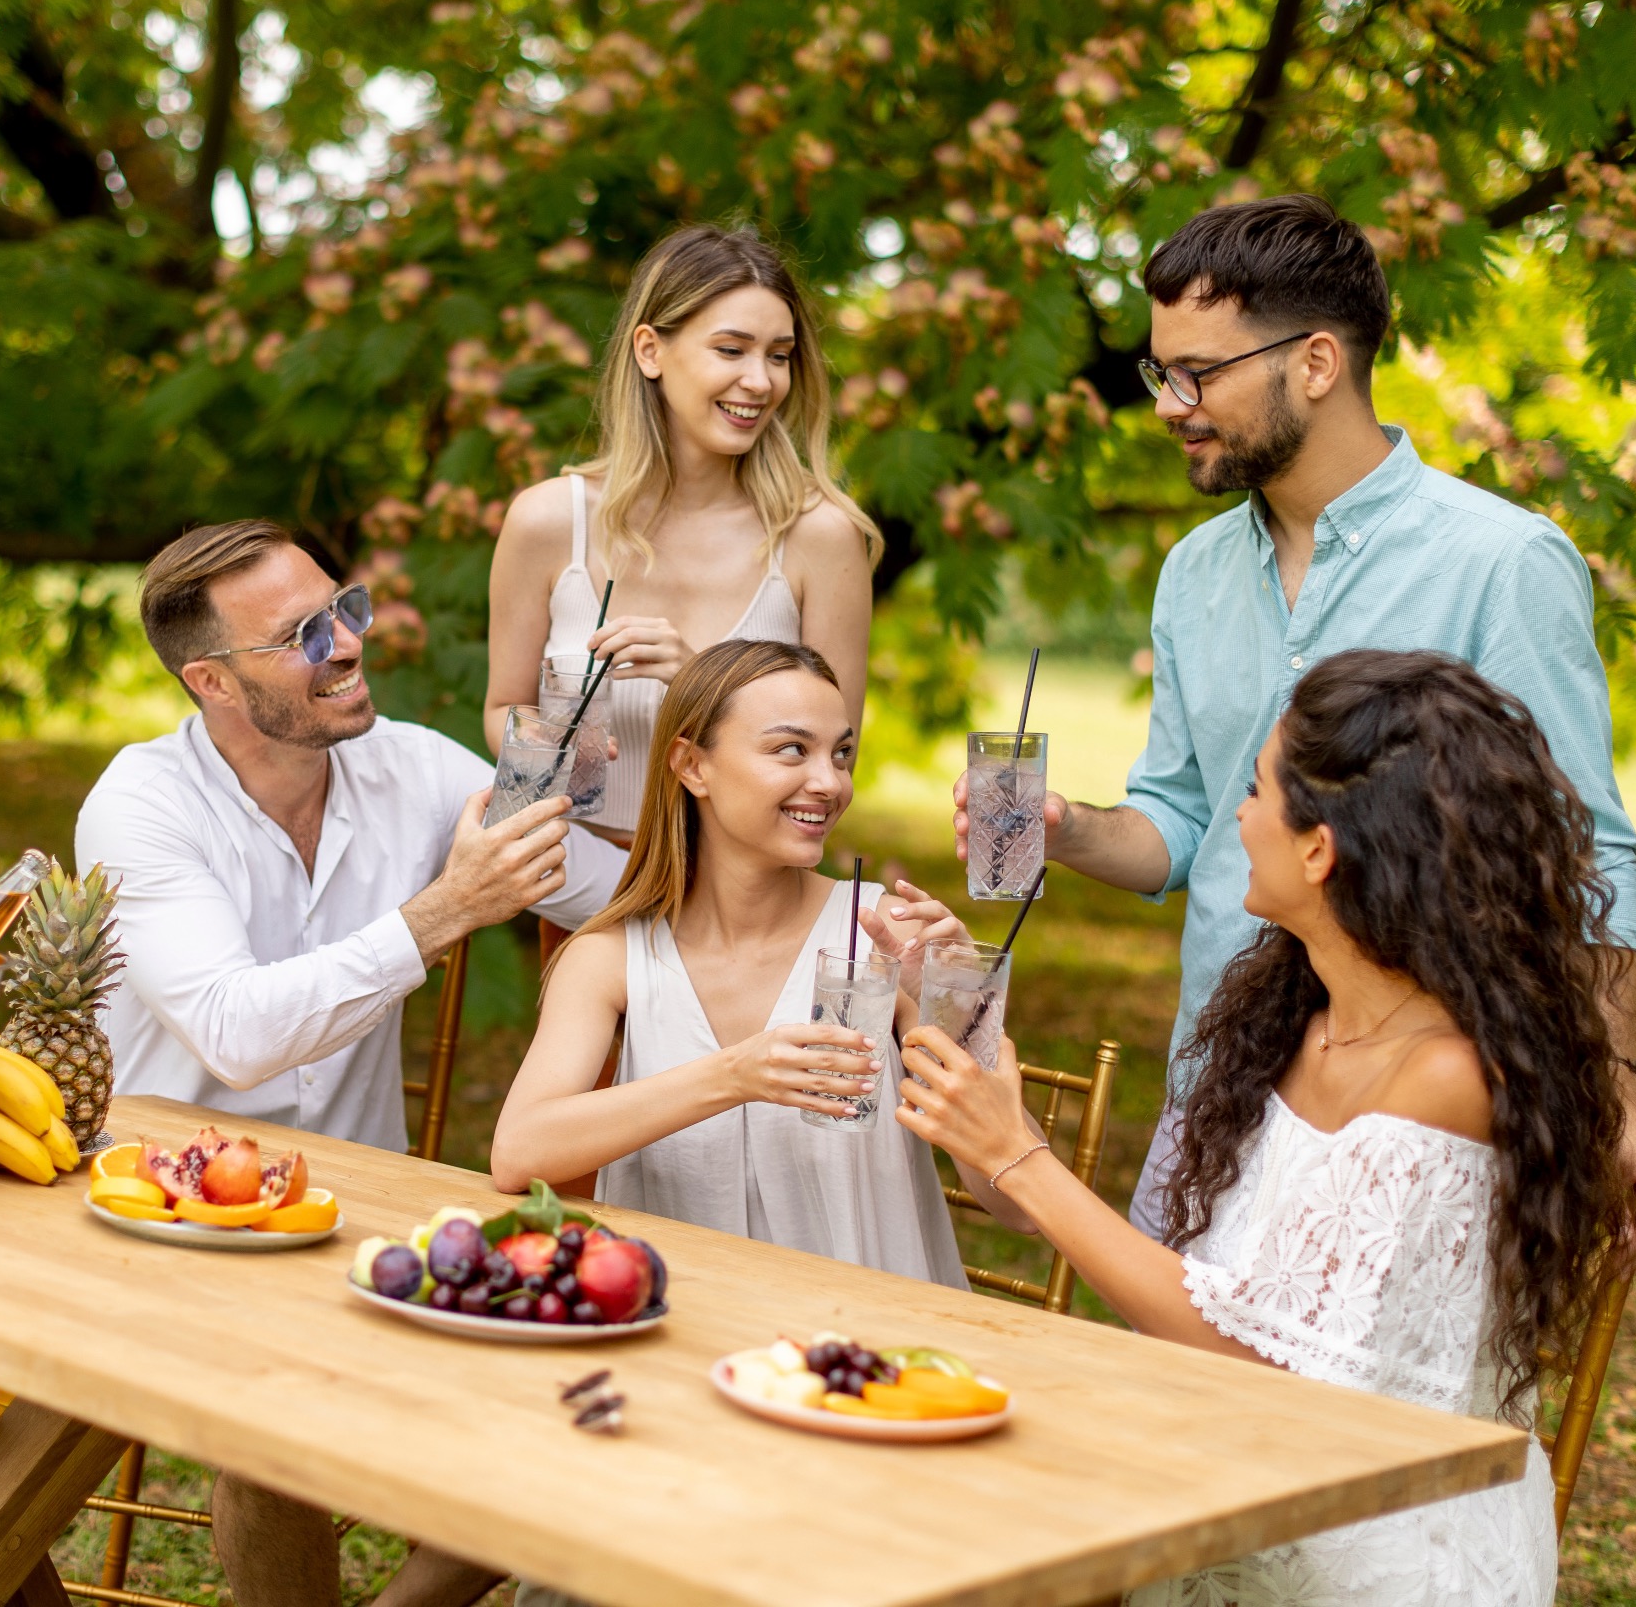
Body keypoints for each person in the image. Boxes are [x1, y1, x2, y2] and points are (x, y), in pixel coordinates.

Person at [955, 193, 1636, 1261]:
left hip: (1408, 1116)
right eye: (1163, 372)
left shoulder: (1502, 562)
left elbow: (1585, 853)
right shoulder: (1193, 571)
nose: (1169, 403)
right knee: (1176, 1407)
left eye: (1198, 372)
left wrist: (1613, 1089)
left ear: (1315, 363)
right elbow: (1183, 823)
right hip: (1215, 1086)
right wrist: (1063, 829)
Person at [908, 650, 1632, 1607]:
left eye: (1254, 792)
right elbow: (1150, 1253)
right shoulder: (1297, 1016)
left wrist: (1022, 1156)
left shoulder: (1450, 1078)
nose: (1237, 819)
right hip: (1226, 1507)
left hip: (1379, 1558)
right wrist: (949, 1030)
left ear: (1319, 850)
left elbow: (1264, 1356)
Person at [75, 518, 624, 1607]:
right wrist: (445, 911)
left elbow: (604, 893)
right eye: (301, 634)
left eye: (348, 608)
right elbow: (236, 1035)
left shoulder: (414, 768)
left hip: (356, 1220)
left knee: (576, 1395)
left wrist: (606, 764)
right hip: (163, 1222)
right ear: (212, 682)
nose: (346, 643)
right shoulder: (141, 806)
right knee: (276, 1421)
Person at [489, 639, 968, 1287]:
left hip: (873, 1349)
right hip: (675, 1332)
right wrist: (735, 1075)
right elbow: (518, 1153)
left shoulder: (888, 937)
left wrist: (960, 1014)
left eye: (841, 754)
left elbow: (1009, 1203)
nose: (830, 782)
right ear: (692, 766)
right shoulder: (609, 959)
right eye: (792, 749)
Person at [486, 223, 881, 847]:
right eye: (731, 350)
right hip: (577, 891)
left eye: (779, 356)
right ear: (650, 351)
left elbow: (831, 764)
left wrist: (699, 678)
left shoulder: (820, 536)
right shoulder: (548, 522)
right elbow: (502, 708)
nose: (761, 381)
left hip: (738, 902)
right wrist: (548, 742)